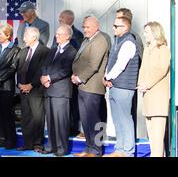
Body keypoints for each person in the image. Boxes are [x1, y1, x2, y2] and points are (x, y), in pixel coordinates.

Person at [103, 16, 140, 157]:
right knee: (117, 119)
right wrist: (106, 78)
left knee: (125, 119)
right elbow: (111, 62)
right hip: (114, 86)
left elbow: (120, 65)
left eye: (116, 25)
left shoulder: (129, 42)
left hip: (124, 87)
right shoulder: (117, 42)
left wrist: (108, 77)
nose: (113, 28)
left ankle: (128, 151)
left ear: (125, 27)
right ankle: (119, 149)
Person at [72, 16, 109, 157]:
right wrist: (75, 75)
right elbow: (80, 60)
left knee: (94, 120)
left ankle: (96, 151)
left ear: (96, 27)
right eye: (84, 27)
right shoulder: (87, 40)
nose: (85, 30)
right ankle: (88, 148)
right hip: (82, 86)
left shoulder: (100, 40)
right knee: (86, 120)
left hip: (92, 87)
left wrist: (79, 78)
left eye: (88, 27)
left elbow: (93, 64)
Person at [37, 24, 77, 156]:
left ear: (67, 36)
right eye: (56, 33)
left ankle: (62, 148)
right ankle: (51, 146)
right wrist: (43, 78)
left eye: (59, 34)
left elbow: (65, 70)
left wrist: (49, 78)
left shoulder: (72, 51)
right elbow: (45, 65)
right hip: (48, 90)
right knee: (51, 121)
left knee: (61, 121)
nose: (56, 36)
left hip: (61, 92)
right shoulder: (53, 50)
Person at [137, 22, 170, 157]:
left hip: (158, 99)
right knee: (152, 137)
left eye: (147, 32)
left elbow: (160, 70)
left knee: (157, 137)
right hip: (148, 98)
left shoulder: (163, 49)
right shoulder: (147, 49)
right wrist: (140, 84)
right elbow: (143, 70)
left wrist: (147, 84)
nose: (144, 35)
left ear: (155, 32)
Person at [15, 27, 50, 151]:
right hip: (23, 91)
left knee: (37, 117)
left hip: (36, 90)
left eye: (26, 36)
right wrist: (19, 84)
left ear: (34, 37)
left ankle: (37, 144)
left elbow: (42, 70)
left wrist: (31, 85)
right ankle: (27, 143)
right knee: (26, 118)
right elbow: (19, 70)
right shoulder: (23, 51)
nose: (23, 38)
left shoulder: (44, 51)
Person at [52, 9, 84, 136]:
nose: (59, 19)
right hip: (56, 77)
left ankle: (73, 128)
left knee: (73, 103)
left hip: (71, 74)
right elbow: (53, 53)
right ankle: (63, 129)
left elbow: (78, 55)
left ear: (70, 19)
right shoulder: (58, 34)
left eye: (62, 17)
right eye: (60, 17)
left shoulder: (78, 35)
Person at [0, 23, 20, 149]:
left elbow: (13, 68)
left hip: (6, 87)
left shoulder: (15, 50)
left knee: (7, 113)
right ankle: (2, 137)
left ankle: (11, 139)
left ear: (8, 35)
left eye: (0, 34)